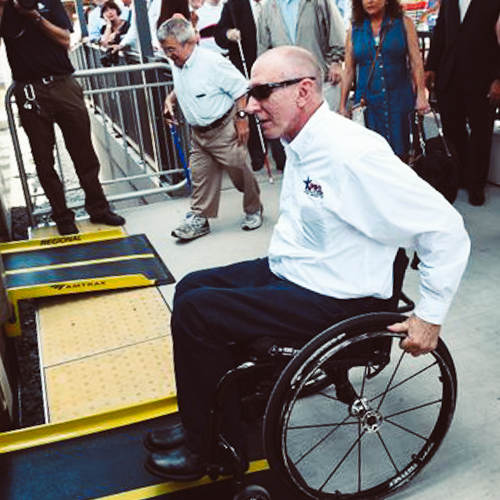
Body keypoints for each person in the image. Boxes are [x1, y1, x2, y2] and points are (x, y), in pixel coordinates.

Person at [143, 46, 470, 482]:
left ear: (304, 90)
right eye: (249, 94)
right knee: (190, 287)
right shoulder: (300, 140)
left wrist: (429, 316)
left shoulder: (351, 154)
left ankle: (210, 449)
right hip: (299, 272)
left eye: (261, 93)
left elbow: (445, 228)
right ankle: (204, 417)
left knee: (197, 312)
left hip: (337, 299)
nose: (250, 106)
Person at [0, 0, 126, 235]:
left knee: (84, 153)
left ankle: (99, 208)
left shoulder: (50, 3)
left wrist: (35, 16)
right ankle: (62, 216)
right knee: (43, 160)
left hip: (63, 84)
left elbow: (65, 40)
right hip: (29, 90)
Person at [158, 16, 263, 241]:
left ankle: (254, 208)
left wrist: (242, 120)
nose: (168, 54)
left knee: (241, 174)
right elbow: (185, 84)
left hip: (224, 128)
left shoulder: (213, 63)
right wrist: (170, 100)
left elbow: (240, 88)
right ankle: (199, 219)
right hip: (198, 134)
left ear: (188, 43)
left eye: (171, 49)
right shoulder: (177, 61)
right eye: (165, 50)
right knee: (199, 176)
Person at [425, 0, 500, 207]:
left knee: (481, 132)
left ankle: (476, 184)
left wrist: (498, 78)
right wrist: (431, 66)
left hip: (483, 79)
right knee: (453, 129)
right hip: (449, 76)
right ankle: (458, 176)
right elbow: (441, 30)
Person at [339, 0, 429, 161]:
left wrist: (421, 94)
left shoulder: (403, 23)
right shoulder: (355, 28)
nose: (369, 1)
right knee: (370, 154)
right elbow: (349, 69)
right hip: (367, 102)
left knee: (401, 152)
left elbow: (416, 62)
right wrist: (342, 105)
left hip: (399, 99)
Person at [214, 0, 266, 171]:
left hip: (270, 63)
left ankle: (280, 153)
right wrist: (229, 33)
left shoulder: (274, 4)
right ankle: (257, 152)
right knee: (250, 108)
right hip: (246, 65)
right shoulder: (234, 5)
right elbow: (219, 34)